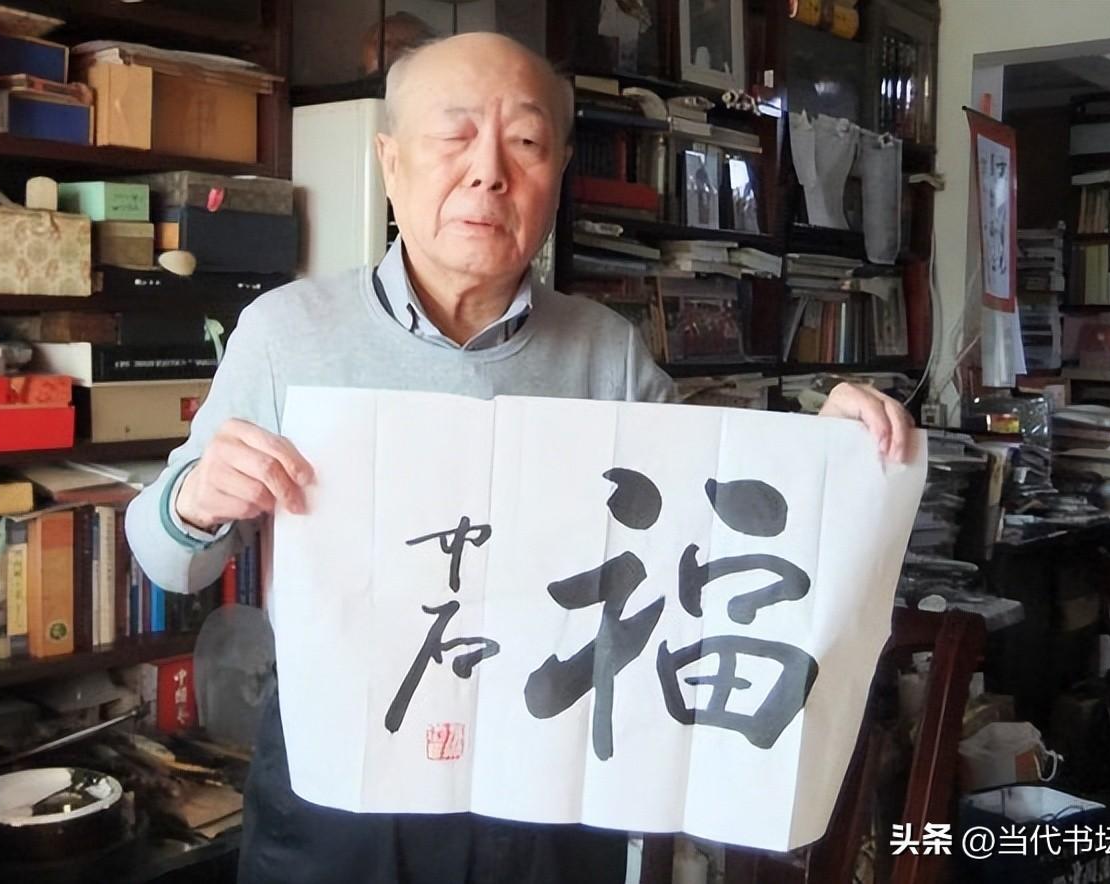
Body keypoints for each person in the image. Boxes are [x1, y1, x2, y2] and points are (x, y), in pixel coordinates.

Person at [125, 32, 914, 884]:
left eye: (527, 143)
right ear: (391, 161)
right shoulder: (287, 334)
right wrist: (196, 500)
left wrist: (825, 450)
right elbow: (169, 561)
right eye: (454, 135)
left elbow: (703, 535)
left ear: (559, 172)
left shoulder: (606, 352)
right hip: (341, 781)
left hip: (545, 782)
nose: (488, 173)